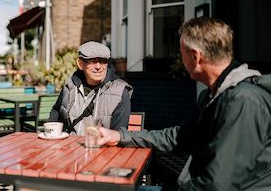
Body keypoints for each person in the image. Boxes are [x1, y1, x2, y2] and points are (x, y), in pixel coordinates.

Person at [97, 17, 271, 190]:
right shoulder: (211, 95)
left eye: (181, 53)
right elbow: (179, 137)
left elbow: (218, 184)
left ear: (195, 56)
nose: (181, 60)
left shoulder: (243, 101)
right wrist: (120, 136)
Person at [49, 41, 133, 135]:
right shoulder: (70, 85)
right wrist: (51, 133)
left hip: (101, 147)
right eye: (93, 61)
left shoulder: (120, 91)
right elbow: (57, 110)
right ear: (80, 64)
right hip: (69, 145)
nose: (98, 67)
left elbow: (118, 134)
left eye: (102, 61)